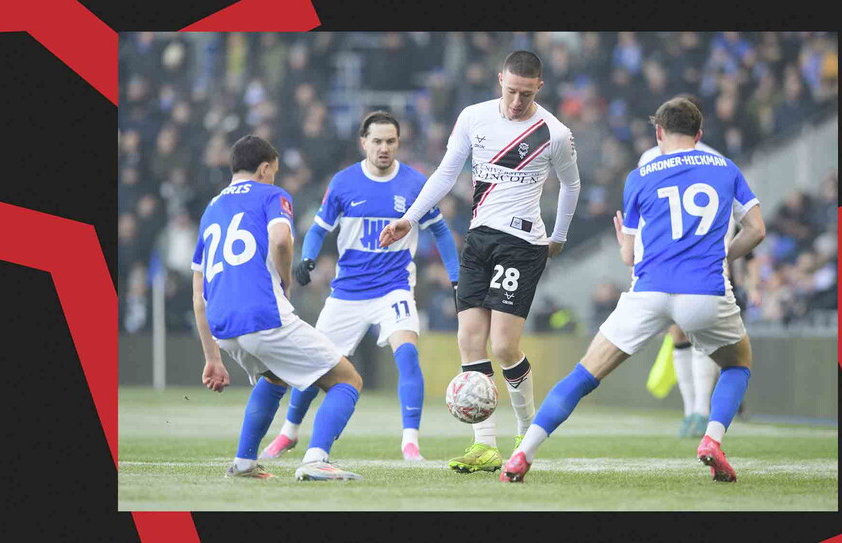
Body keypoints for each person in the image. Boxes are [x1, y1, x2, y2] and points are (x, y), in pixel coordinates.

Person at [501, 97, 765, 483]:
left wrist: (625, 242)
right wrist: (723, 256)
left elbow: (629, 255)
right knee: (738, 364)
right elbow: (756, 230)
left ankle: (522, 454)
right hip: (705, 292)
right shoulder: (726, 169)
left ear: (659, 132)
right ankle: (711, 438)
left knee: (582, 374)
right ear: (699, 134)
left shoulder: (639, 176)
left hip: (650, 292)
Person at [378, 50, 582, 474]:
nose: (516, 102)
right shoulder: (473, 117)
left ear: (539, 88)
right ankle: (484, 445)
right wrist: (409, 220)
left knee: (504, 346)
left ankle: (527, 433)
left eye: (525, 94)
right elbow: (446, 172)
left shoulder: (554, 132)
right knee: (470, 339)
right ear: (499, 80)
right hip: (479, 239)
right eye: (510, 91)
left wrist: (558, 237)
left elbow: (571, 184)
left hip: (523, 242)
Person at [259, 111, 460, 462]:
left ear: (399, 143)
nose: (384, 148)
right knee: (314, 365)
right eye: (377, 141)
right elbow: (320, 228)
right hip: (347, 292)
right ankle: (289, 432)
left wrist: (456, 276)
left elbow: (440, 231)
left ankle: (410, 442)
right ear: (363, 142)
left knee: (408, 355)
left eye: (391, 141)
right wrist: (307, 258)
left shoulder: (415, 183)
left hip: (394, 287)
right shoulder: (343, 183)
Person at [192, 135, 364, 481]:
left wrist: (212, 357)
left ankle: (243, 463)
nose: (273, 177)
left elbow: (198, 294)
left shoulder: (212, 208)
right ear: (265, 168)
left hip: (222, 325)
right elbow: (282, 239)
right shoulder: (272, 194)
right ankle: (316, 460)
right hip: (262, 314)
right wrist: (285, 281)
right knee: (347, 379)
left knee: (275, 376)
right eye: (274, 172)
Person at [638, 94, 740, 438]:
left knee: (690, 334)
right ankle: (694, 411)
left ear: (659, 130)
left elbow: (643, 222)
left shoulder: (650, 159)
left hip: (664, 267)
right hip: (706, 265)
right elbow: (736, 219)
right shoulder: (718, 161)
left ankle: (697, 410)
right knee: (692, 334)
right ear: (698, 130)